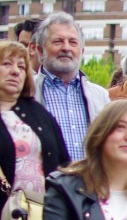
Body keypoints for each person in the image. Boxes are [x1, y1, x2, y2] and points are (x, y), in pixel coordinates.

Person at [0, 42, 69, 220]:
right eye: (6, 64)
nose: (15, 71)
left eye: (21, 66)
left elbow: (63, 163)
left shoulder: (37, 112)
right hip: (4, 219)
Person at [32, 12, 109, 160]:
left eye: (73, 42)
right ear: (40, 51)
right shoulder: (27, 92)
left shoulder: (100, 95)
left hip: (89, 181)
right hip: (45, 181)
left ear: (82, 51)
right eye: (57, 42)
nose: (66, 48)